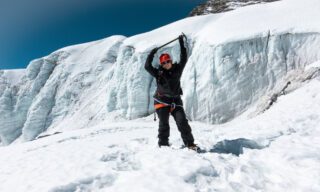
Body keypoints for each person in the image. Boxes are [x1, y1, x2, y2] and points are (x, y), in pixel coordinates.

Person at [144, 34, 198, 151]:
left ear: (171, 61)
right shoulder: (158, 73)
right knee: (164, 124)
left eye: (168, 61)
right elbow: (147, 66)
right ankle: (163, 145)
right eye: (164, 63)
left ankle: (190, 144)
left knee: (182, 122)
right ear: (161, 64)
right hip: (161, 101)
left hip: (175, 100)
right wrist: (151, 54)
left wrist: (181, 43)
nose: (166, 64)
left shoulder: (177, 69)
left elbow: (184, 57)